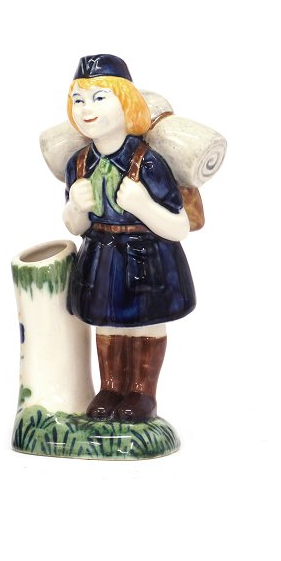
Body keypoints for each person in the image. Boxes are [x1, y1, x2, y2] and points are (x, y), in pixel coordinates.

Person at [62, 54, 195, 422]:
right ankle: (110, 387)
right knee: (106, 323)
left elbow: (180, 226)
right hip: (101, 254)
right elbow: (75, 226)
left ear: (126, 103)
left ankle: (142, 392)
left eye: (99, 97)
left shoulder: (148, 163)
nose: (86, 109)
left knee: (144, 323)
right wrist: (75, 207)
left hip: (146, 257)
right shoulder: (78, 164)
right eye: (78, 100)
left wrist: (143, 206)